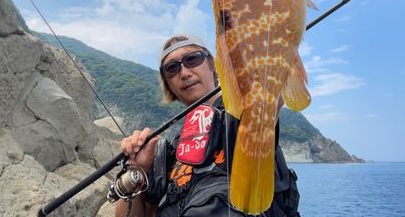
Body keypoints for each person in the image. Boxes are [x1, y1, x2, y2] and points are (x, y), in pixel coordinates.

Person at [116, 33, 300, 217]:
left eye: (192, 59)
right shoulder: (168, 152)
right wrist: (136, 168)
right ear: (168, 85)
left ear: (213, 65)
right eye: (172, 69)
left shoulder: (245, 112)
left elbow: (271, 91)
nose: (185, 73)